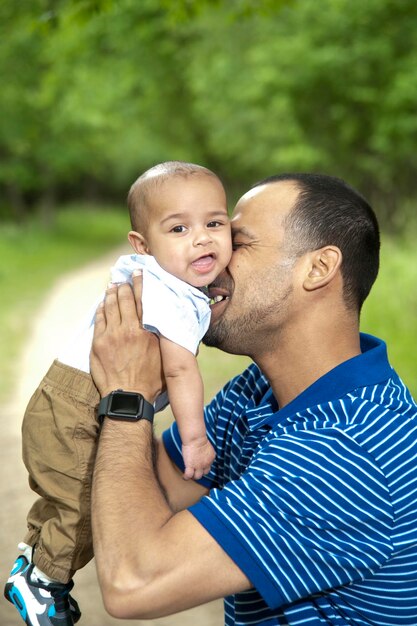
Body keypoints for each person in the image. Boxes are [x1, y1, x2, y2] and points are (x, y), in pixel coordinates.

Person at [89, 173, 417, 626]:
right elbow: (157, 492)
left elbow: (134, 581)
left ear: (318, 269)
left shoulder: (348, 447)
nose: (211, 260)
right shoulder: (258, 391)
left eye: (235, 242)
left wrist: (127, 396)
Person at [4, 161, 232, 626]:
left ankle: (31, 562)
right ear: (144, 245)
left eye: (215, 223)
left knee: (67, 496)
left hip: (60, 398)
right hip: (78, 408)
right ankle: (44, 582)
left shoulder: (147, 274)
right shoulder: (171, 295)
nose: (202, 238)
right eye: (179, 228)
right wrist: (194, 439)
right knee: (89, 505)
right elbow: (181, 369)